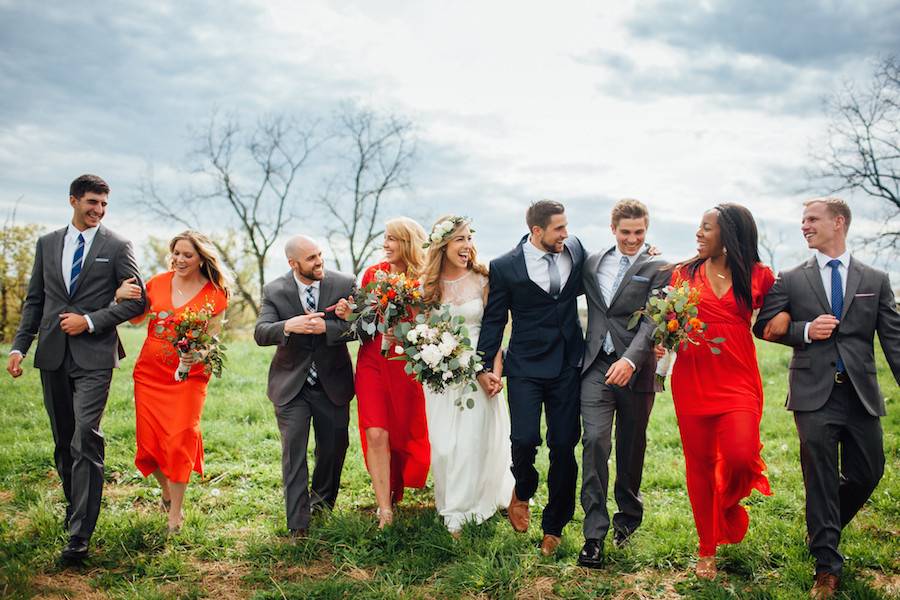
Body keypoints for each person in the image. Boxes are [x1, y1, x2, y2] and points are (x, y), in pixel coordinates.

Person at [753, 198, 900, 599]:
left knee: (869, 471)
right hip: (812, 393)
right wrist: (803, 330)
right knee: (819, 477)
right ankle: (826, 566)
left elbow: (894, 340)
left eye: (812, 219)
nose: (804, 226)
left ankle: (821, 525)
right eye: (802, 220)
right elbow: (763, 326)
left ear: (839, 223)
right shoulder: (790, 279)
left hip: (861, 394)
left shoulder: (875, 278)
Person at [6, 174, 146, 561]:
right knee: (63, 440)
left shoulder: (118, 246)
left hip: (95, 356)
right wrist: (19, 347)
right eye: (91, 203)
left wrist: (89, 320)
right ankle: (75, 509)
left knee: (86, 436)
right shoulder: (47, 243)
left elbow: (138, 301)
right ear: (73, 201)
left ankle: (80, 535)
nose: (98, 211)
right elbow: (35, 300)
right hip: (51, 354)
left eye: (103, 205)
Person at [669, 203, 775, 579]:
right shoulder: (683, 274)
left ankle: (727, 507)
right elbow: (668, 321)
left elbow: (782, 311)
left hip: (738, 380)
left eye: (706, 228)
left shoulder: (760, 276)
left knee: (740, 455)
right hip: (693, 379)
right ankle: (706, 549)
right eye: (699, 227)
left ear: (728, 235)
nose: (698, 233)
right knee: (698, 465)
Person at [476, 200, 585, 557]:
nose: (566, 234)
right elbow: (494, 319)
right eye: (559, 229)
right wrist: (484, 367)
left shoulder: (576, 251)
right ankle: (523, 488)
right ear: (537, 231)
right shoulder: (506, 267)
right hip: (524, 366)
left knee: (564, 445)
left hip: (568, 365)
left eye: (567, 227)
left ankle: (554, 525)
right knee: (524, 439)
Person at [116, 231, 229, 533]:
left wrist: (199, 354)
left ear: (201, 258)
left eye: (187, 255)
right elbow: (136, 318)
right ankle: (166, 492)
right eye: (176, 253)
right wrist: (119, 296)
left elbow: (213, 339)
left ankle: (175, 514)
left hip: (189, 379)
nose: (179, 259)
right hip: (149, 374)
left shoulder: (215, 293)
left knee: (180, 439)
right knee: (149, 443)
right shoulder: (157, 283)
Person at [577, 199, 669, 568]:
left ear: (646, 230)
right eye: (626, 232)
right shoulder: (592, 262)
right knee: (595, 441)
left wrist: (632, 359)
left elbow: (652, 321)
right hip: (596, 364)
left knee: (632, 446)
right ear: (613, 229)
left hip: (637, 368)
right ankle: (593, 535)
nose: (632, 240)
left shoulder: (659, 267)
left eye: (639, 233)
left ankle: (628, 518)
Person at [418, 215, 515, 536]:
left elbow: (495, 329)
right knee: (445, 442)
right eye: (460, 239)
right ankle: (452, 498)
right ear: (443, 245)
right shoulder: (427, 286)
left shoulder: (483, 280)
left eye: (469, 238)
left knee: (474, 438)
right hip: (440, 371)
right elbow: (419, 332)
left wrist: (493, 373)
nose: (467, 246)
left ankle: (463, 510)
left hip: (480, 368)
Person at [254, 235, 356, 537]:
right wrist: (288, 325)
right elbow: (260, 332)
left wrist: (331, 327)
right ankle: (298, 524)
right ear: (293, 263)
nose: (319, 261)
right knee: (294, 452)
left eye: (320, 254)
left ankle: (322, 504)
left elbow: (364, 325)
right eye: (311, 258)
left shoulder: (344, 283)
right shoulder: (274, 290)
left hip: (332, 383)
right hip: (291, 386)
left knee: (334, 447)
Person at [344, 217, 430, 528]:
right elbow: (364, 319)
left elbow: (431, 325)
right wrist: (349, 314)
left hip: (406, 365)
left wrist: (403, 333)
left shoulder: (424, 279)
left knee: (405, 433)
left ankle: (399, 484)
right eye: (385, 238)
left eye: (392, 238)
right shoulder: (373, 273)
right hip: (372, 363)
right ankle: (385, 509)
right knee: (376, 431)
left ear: (407, 242)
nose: (386, 244)